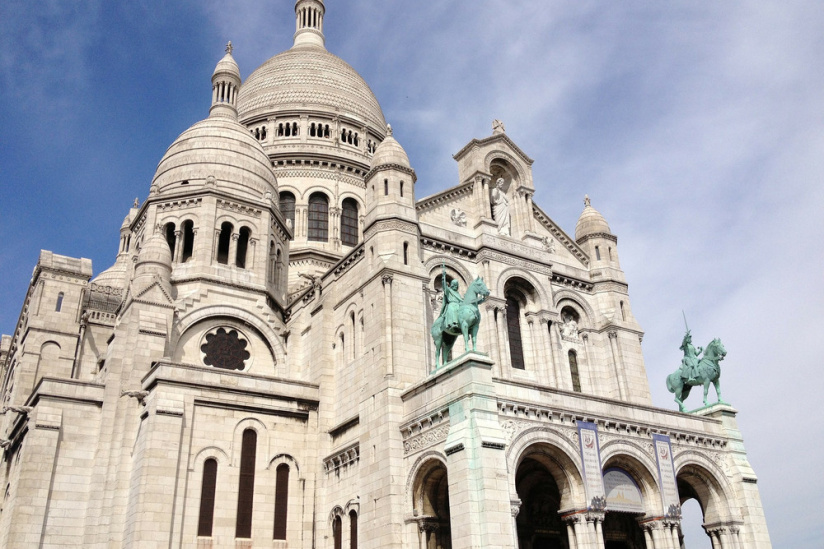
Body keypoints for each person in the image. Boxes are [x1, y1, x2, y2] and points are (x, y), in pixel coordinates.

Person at [437, 265, 463, 332]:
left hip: (459, 305)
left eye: (456, 286)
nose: (455, 287)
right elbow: (444, 286)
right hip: (451, 305)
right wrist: (443, 276)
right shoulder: (449, 290)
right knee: (453, 308)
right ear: (452, 285)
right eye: (454, 285)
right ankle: (453, 323)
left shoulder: (457, 294)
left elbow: (461, 300)